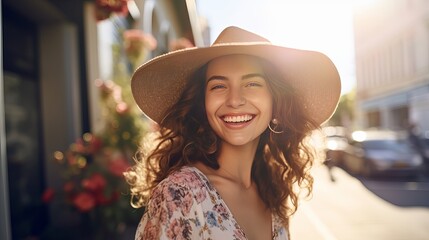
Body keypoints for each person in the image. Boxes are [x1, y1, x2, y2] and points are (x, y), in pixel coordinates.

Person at [125, 26, 341, 240]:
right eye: (218, 86)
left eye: (252, 83)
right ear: (202, 104)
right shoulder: (180, 196)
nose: (235, 100)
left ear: (277, 101)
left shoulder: (274, 194)